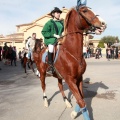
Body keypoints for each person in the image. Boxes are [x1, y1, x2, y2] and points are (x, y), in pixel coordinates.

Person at [41, 7, 64, 74]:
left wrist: (63, 33)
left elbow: (63, 30)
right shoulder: (49, 23)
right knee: (51, 48)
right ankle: (50, 66)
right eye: (57, 13)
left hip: (60, 39)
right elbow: (44, 32)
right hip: (51, 40)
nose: (59, 14)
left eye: (59, 13)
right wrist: (54, 35)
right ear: (53, 14)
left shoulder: (61, 22)